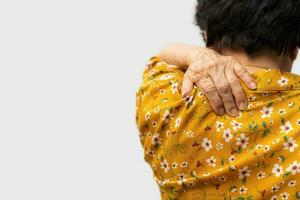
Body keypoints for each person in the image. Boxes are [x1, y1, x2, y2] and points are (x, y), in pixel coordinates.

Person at [135, 0, 300, 199]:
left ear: (207, 39)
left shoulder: (166, 99)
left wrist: (192, 54)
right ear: (294, 48)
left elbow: (159, 60)